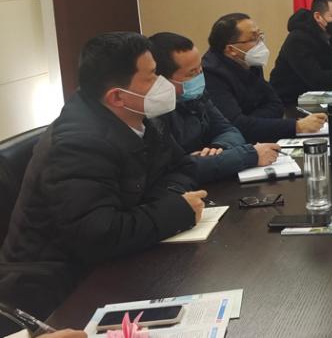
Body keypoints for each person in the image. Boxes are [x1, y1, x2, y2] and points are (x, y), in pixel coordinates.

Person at [1, 32, 206, 316]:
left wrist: (164, 202)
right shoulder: (76, 145)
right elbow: (99, 235)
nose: (162, 84)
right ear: (117, 96)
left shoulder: (144, 118)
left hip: (118, 257)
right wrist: (176, 210)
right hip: (57, 287)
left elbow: (183, 167)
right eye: (151, 77)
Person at [149, 32, 281, 183]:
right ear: (161, 79)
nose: (199, 76)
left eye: (200, 68)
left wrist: (219, 147)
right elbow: (183, 167)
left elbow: (229, 130)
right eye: (192, 73)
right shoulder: (154, 113)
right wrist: (251, 155)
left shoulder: (196, 95)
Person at [203, 13, 327, 143]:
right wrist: (296, 126)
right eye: (254, 39)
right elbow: (235, 126)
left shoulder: (250, 62)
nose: (260, 43)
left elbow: (276, 105)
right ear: (231, 49)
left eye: (260, 36)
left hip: (258, 139)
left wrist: (250, 120)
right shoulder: (212, 74)